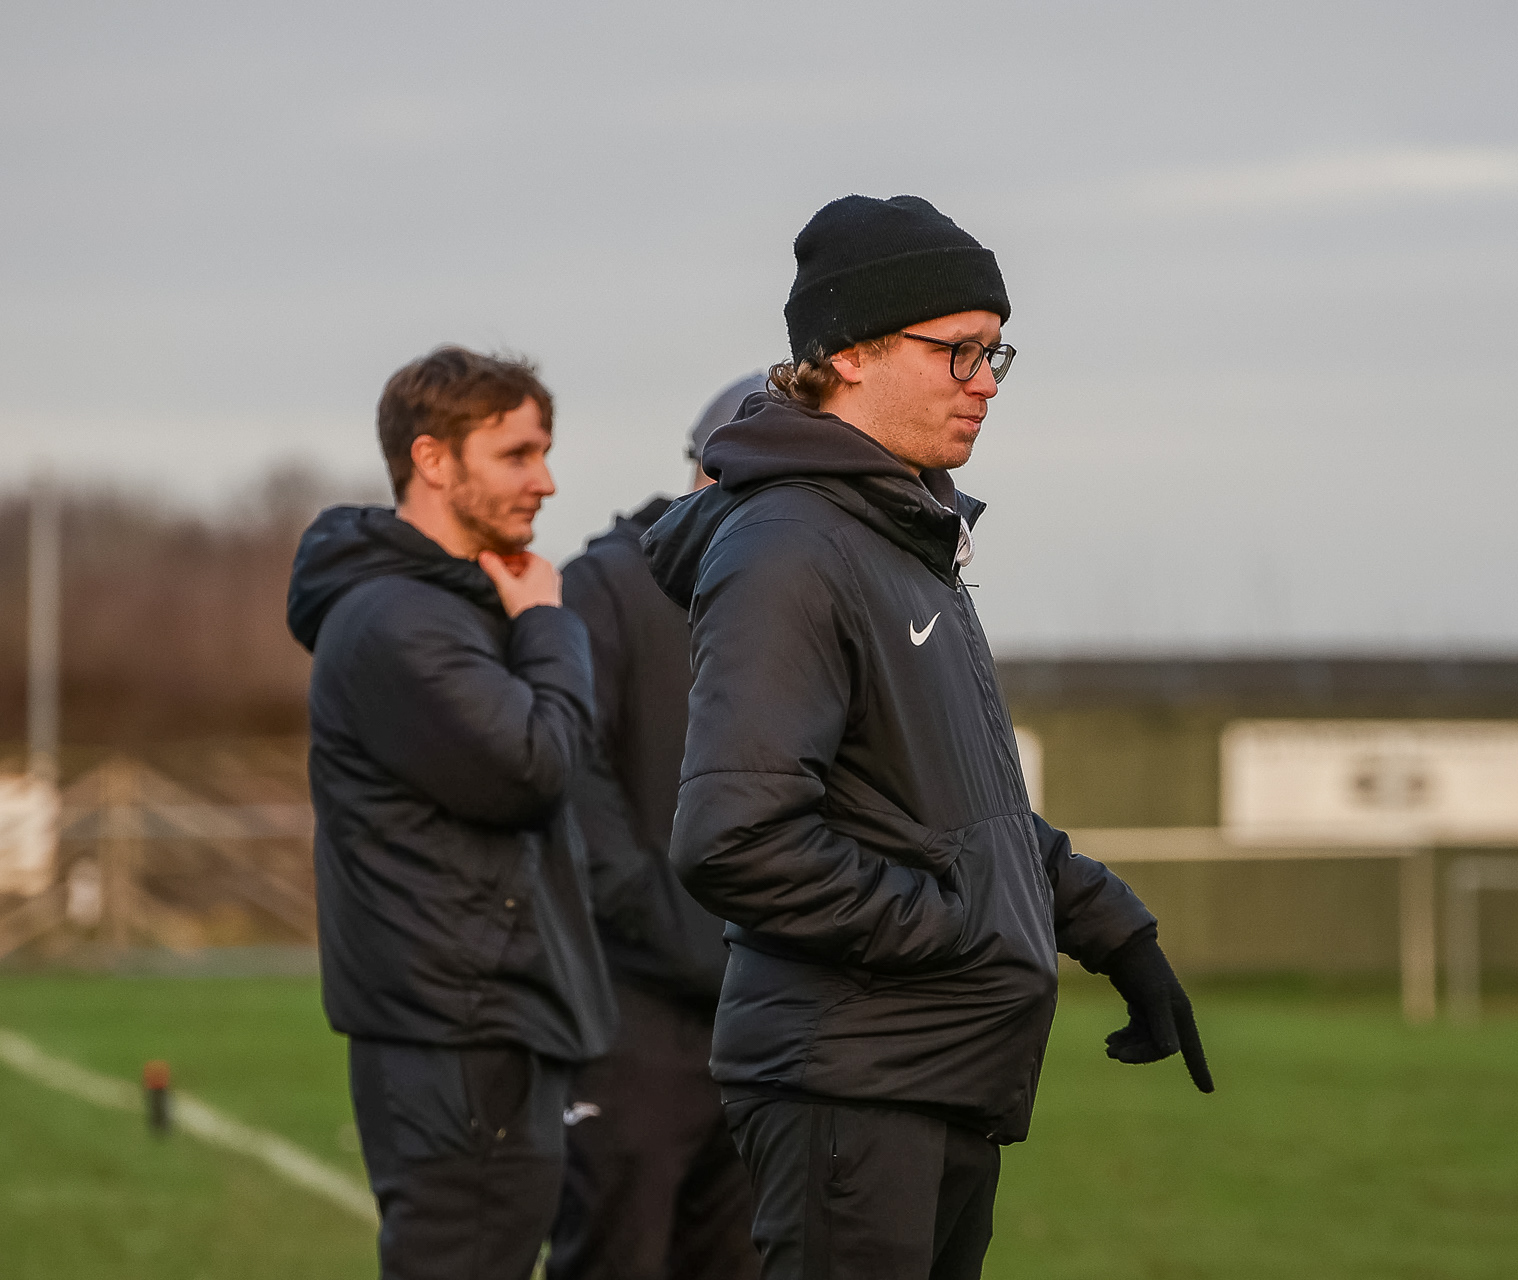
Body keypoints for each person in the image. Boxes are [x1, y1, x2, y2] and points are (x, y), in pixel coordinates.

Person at [642, 195, 1213, 1280]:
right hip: (852, 1083)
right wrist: (954, 932)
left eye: (995, 352)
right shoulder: (791, 545)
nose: (985, 380)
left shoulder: (905, 536)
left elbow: (958, 812)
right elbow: (736, 836)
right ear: (848, 355)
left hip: (930, 1075)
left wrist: (1113, 932)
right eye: (957, 351)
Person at [286, 346, 616, 1280]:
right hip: (458, 1031)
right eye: (516, 455)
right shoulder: (402, 619)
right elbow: (538, 767)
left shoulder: (445, 603)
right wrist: (547, 622)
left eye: (544, 452)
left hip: (477, 1024)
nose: (546, 481)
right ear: (432, 460)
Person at [545, 372, 766, 1280]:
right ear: (710, 469)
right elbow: (573, 789)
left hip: (763, 1034)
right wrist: (691, 941)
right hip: (627, 1024)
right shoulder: (602, 588)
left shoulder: (791, 598)